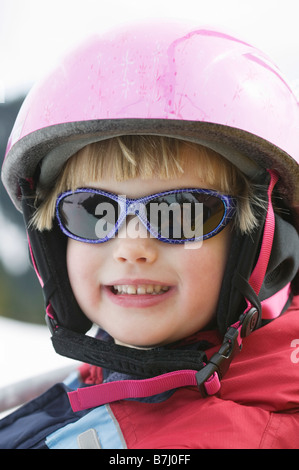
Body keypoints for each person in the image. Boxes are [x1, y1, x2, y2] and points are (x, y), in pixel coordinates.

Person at [0, 21, 299, 449]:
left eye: (179, 213)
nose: (132, 247)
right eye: (93, 212)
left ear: (261, 249)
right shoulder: (110, 378)